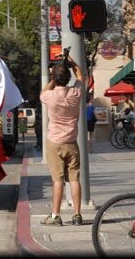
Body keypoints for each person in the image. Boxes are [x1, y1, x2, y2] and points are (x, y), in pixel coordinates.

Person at [39, 54, 84, 227]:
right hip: (72, 142)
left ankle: (56, 215)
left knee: (57, 180)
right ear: (68, 78)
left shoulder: (49, 96)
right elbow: (80, 76)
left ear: (54, 79)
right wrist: (72, 63)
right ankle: (77, 214)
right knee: (74, 179)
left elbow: (43, 92)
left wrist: (52, 77)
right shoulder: (75, 92)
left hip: (54, 143)